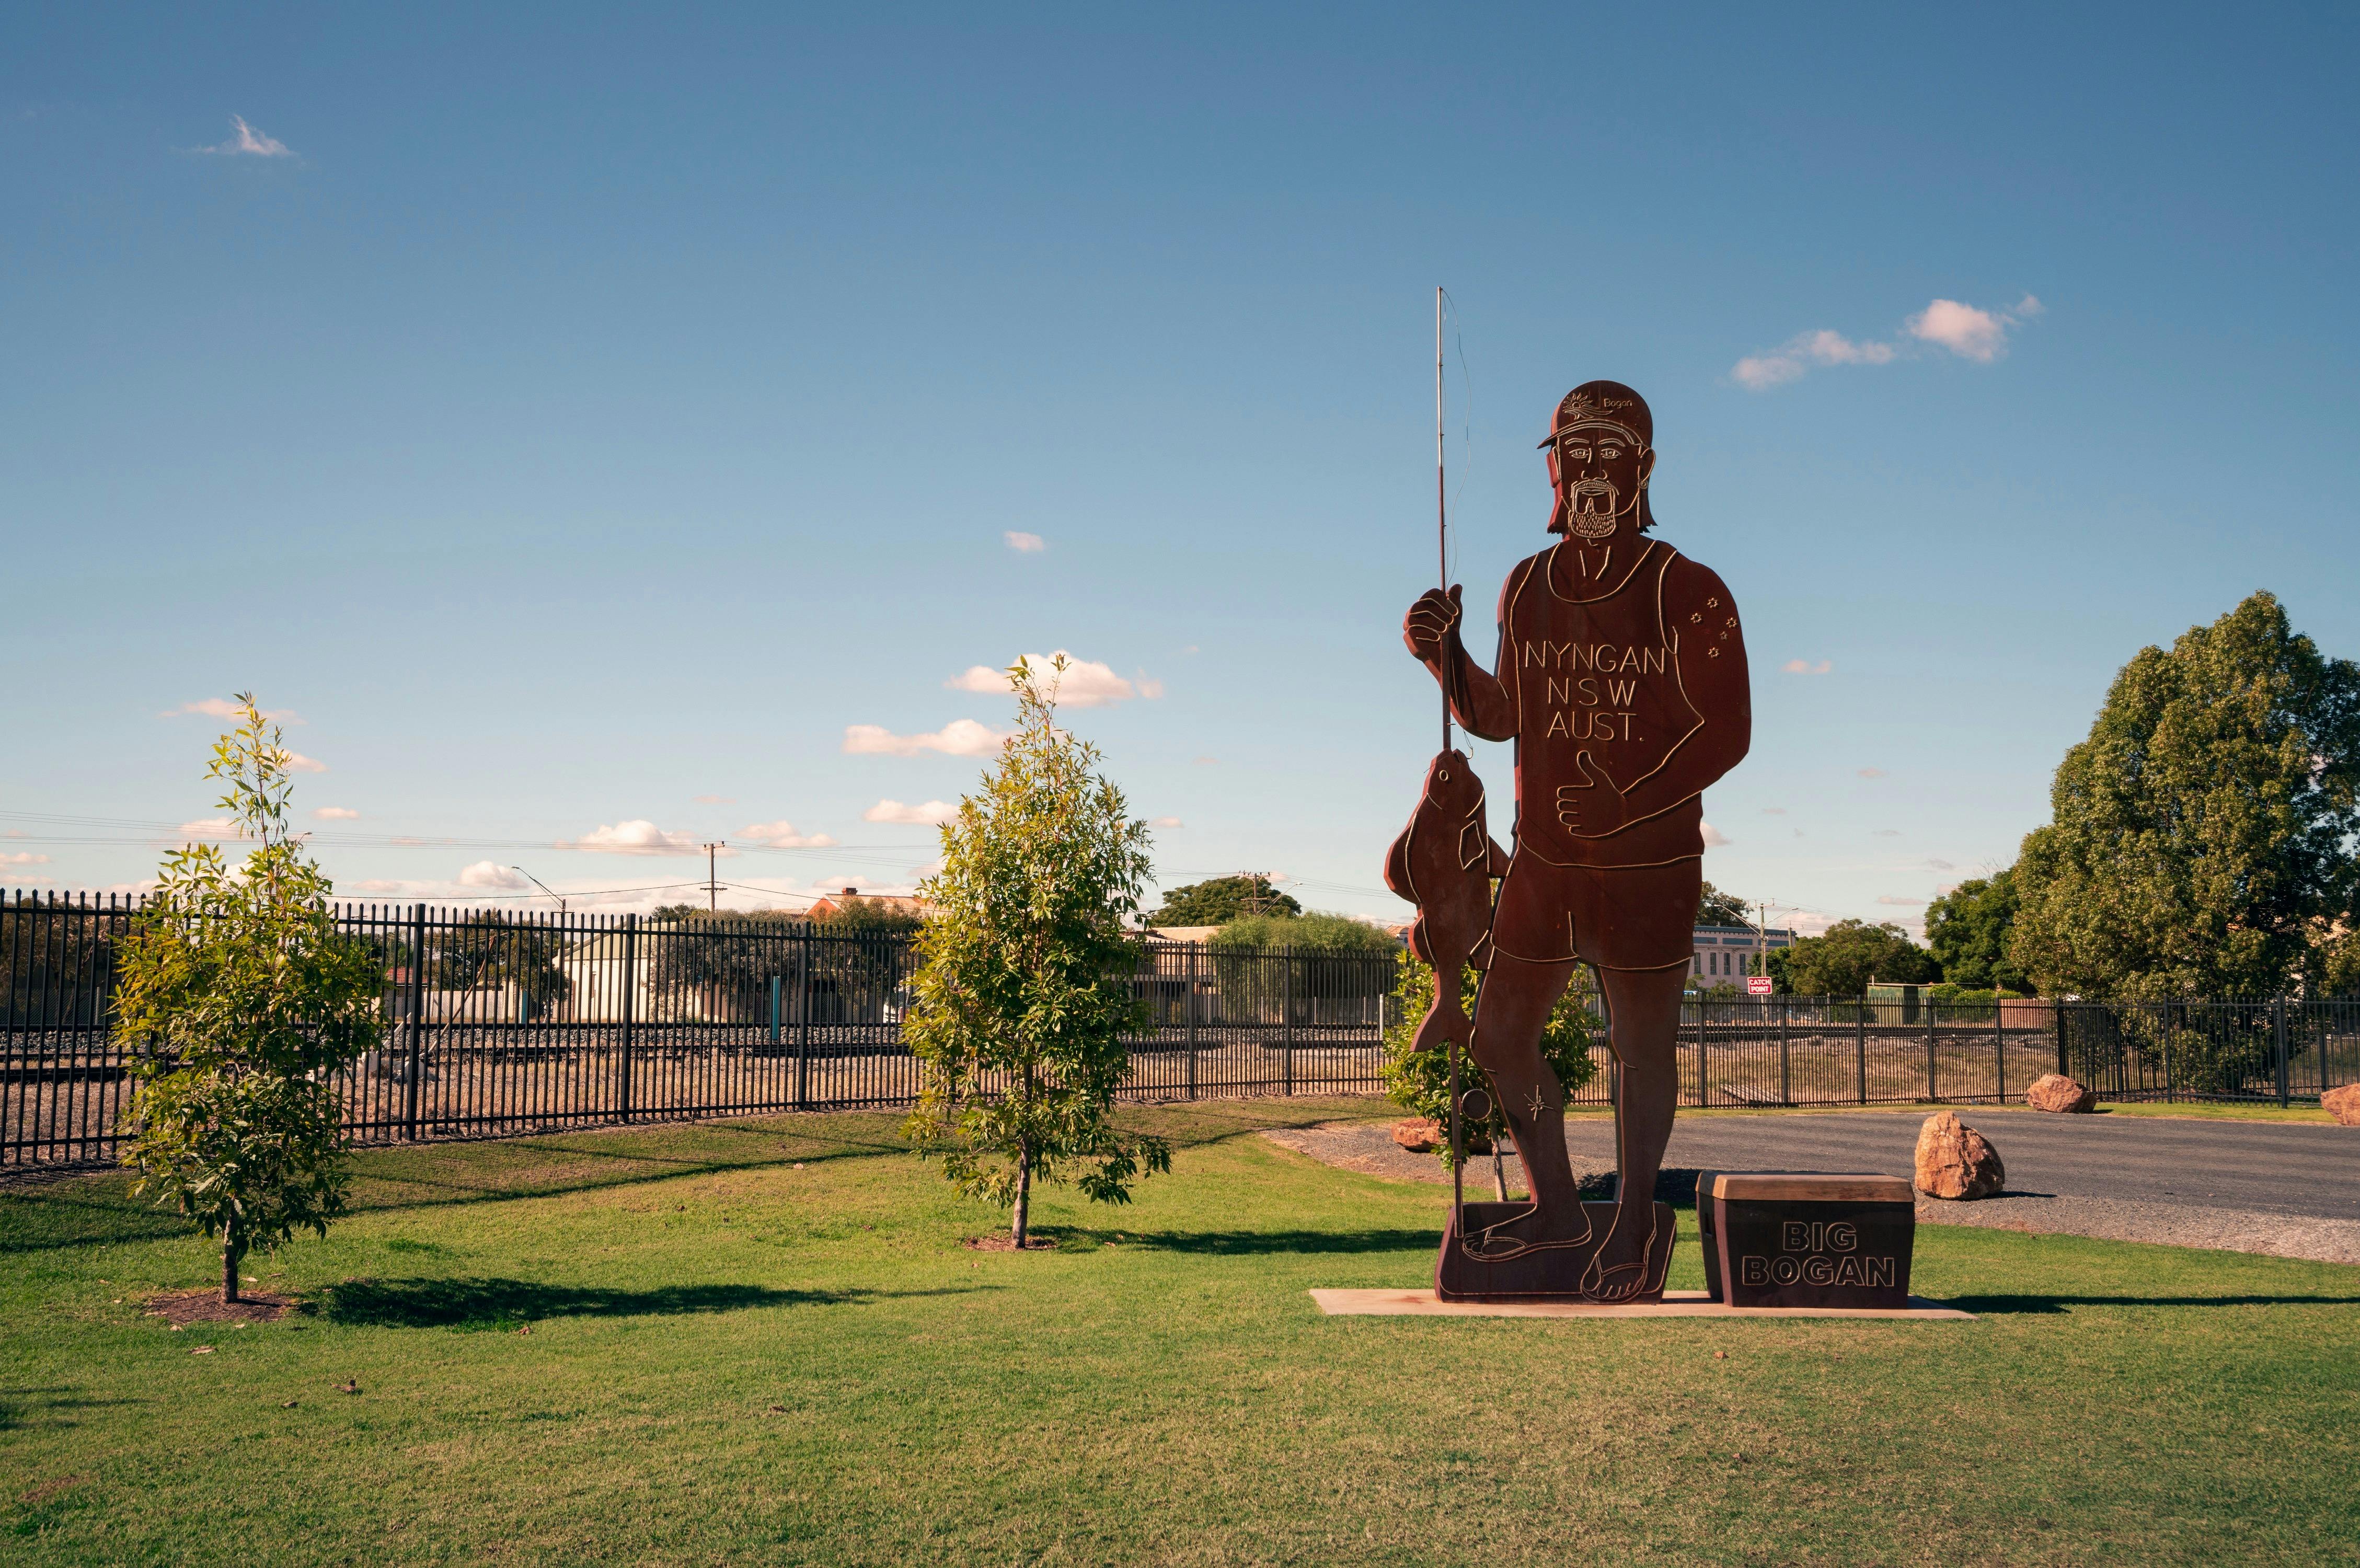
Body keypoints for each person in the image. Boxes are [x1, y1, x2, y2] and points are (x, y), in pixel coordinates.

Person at [1403, 381, 1751, 1299]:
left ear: (1641, 469)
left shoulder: (1689, 589)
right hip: (1549, 862)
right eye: (1575, 455)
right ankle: (1560, 1209)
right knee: (1499, 1039)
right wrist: (1446, 661)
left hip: (1649, 866)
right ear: (1555, 469)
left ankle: (1633, 1227)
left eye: (1611, 456)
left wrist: (1631, 800)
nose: (1591, 473)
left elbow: (1728, 730)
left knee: (1642, 1051)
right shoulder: (1527, 585)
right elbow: (1506, 715)